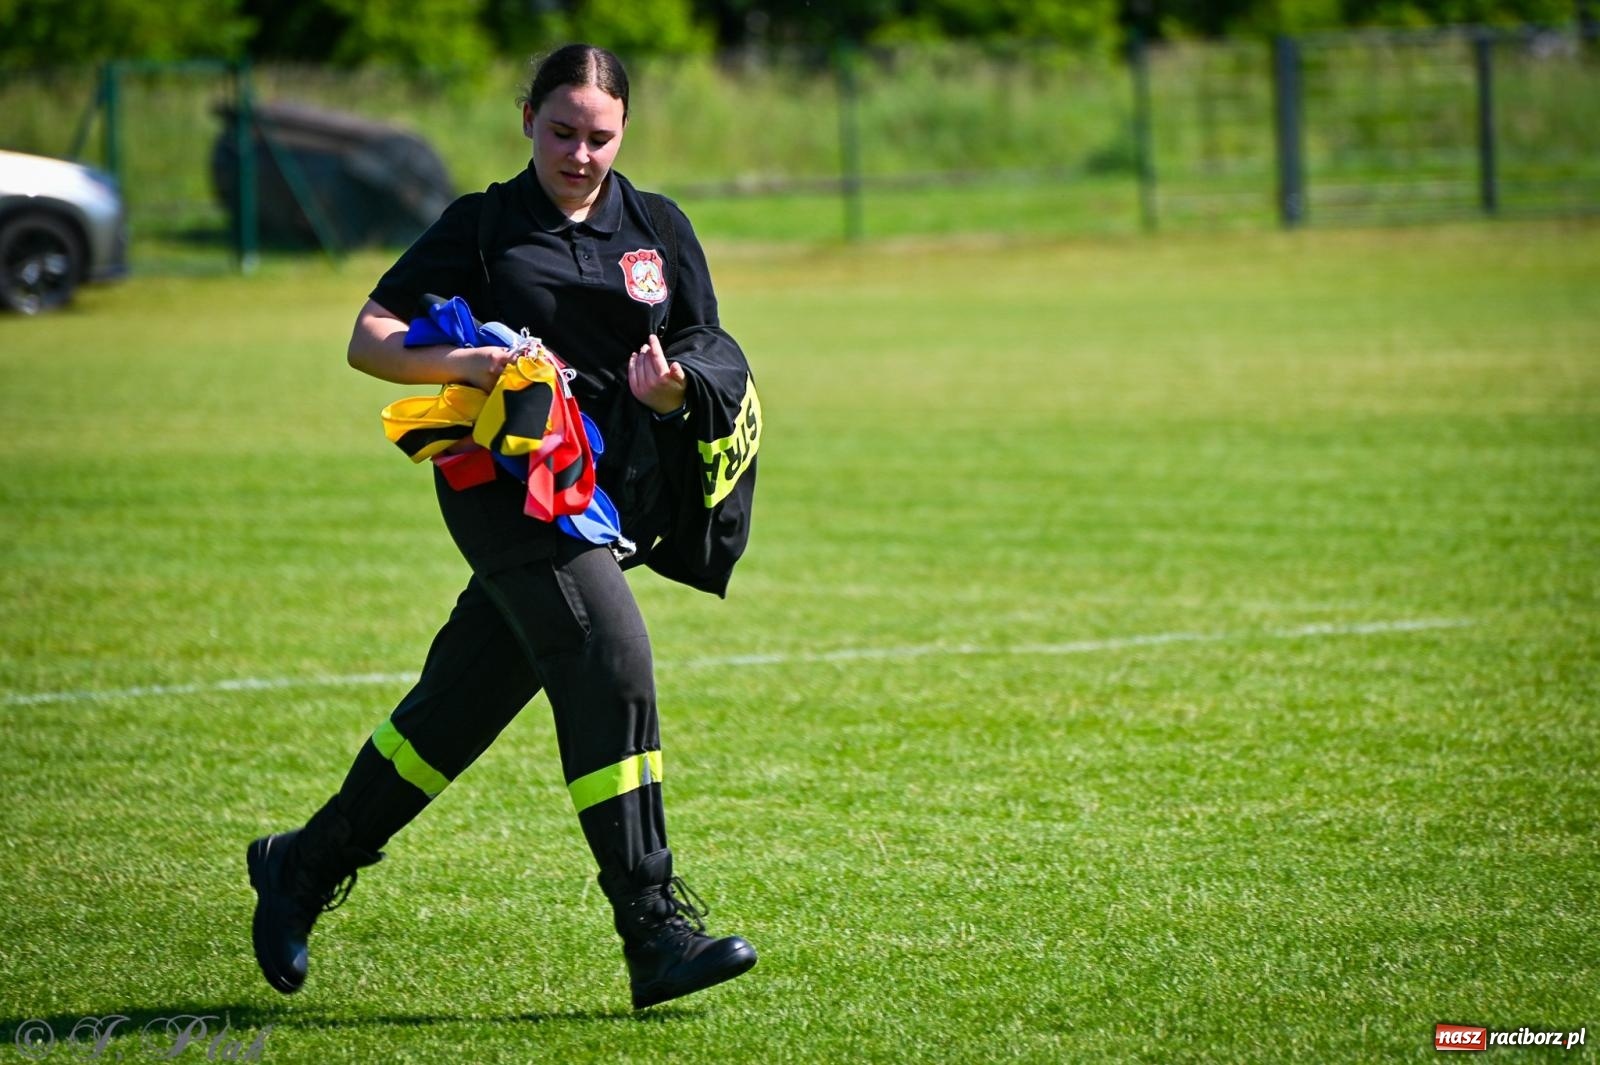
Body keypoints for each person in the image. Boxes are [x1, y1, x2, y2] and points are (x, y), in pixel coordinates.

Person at [246, 43, 760, 1012]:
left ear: (623, 133)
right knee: (610, 660)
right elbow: (372, 338)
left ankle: (302, 866)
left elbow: (705, 340)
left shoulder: (656, 227)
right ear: (526, 116)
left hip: (601, 499)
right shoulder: (481, 226)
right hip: (504, 488)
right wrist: (468, 366)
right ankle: (652, 926)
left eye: (598, 137)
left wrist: (675, 387)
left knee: (460, 706)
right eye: (561, 131)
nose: (578, 154)